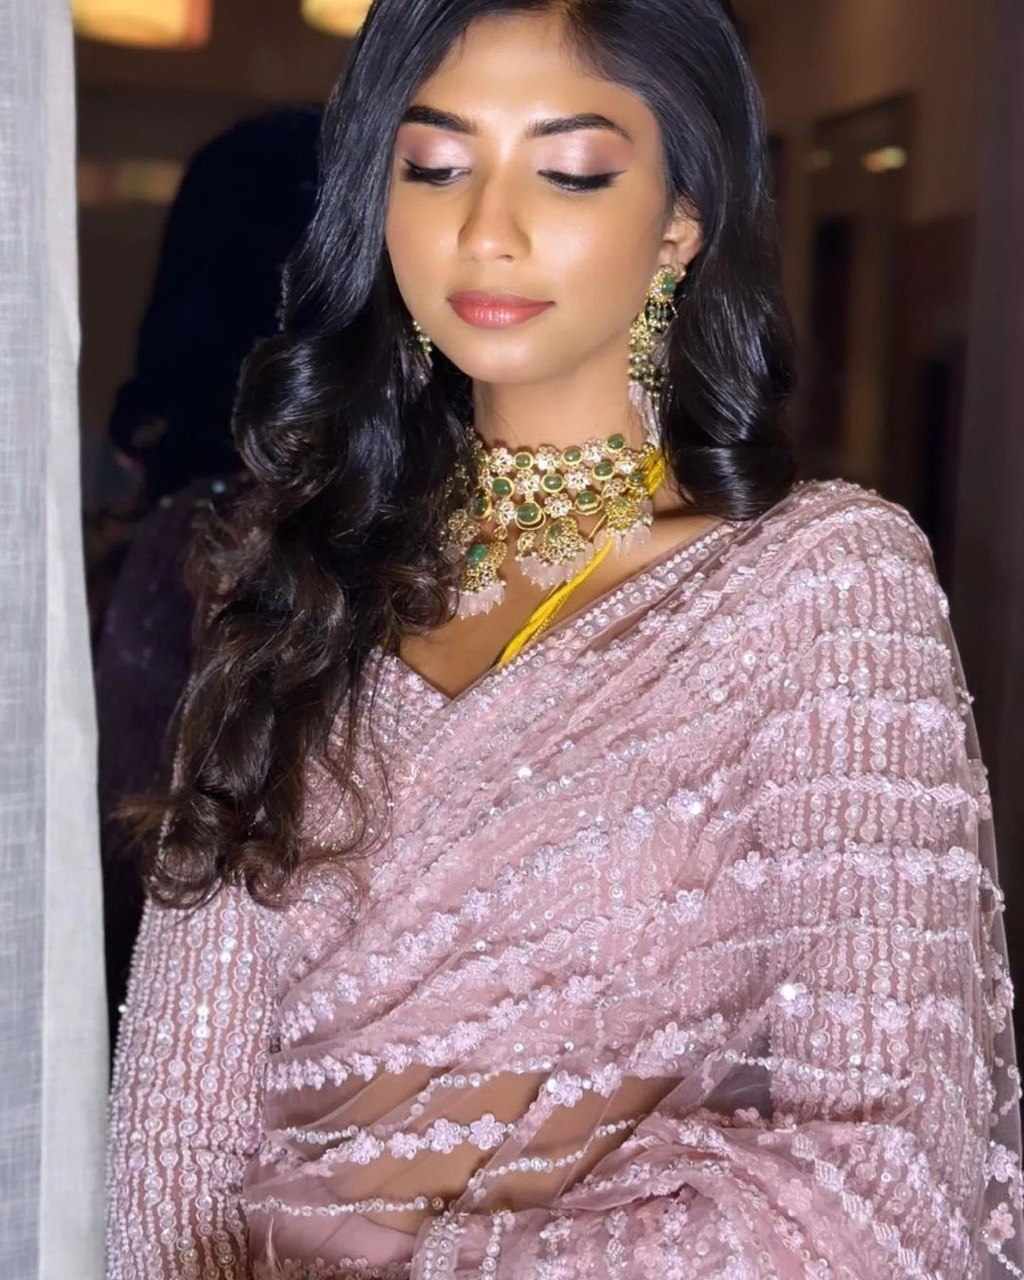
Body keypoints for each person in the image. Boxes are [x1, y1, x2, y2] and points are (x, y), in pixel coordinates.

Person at [105, 2, 1024, 1277]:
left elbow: (891, 1184)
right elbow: (169, 1144)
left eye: (572, 170)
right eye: (435, 166)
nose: (487, 227)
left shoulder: (816, 582)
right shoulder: (292, 583)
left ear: (680, 220)